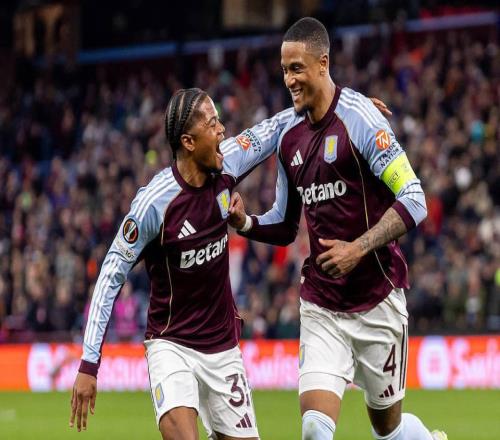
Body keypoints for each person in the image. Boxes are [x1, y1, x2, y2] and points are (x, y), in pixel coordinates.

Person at [228, 17, 447, 440]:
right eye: (284, 70)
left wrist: (357, 248)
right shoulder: (288, 138)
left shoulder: (361, 119)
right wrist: (246, 222)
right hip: (322, 304)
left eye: (297, 68)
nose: (289, 80)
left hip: (378, 298)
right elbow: (285, 224)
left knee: (387, 429)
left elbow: (414, 199)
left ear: (323, 63)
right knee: (314, 428)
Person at [69, 88, 299, 439]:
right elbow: (110, 275)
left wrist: (339, 106)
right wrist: (89, 363)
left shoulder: (228, 161)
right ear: (189, 142)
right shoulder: (154, 204)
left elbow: (273, 128)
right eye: (213, 123)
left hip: (223, 349)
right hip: (171, 345)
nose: (222, 130)